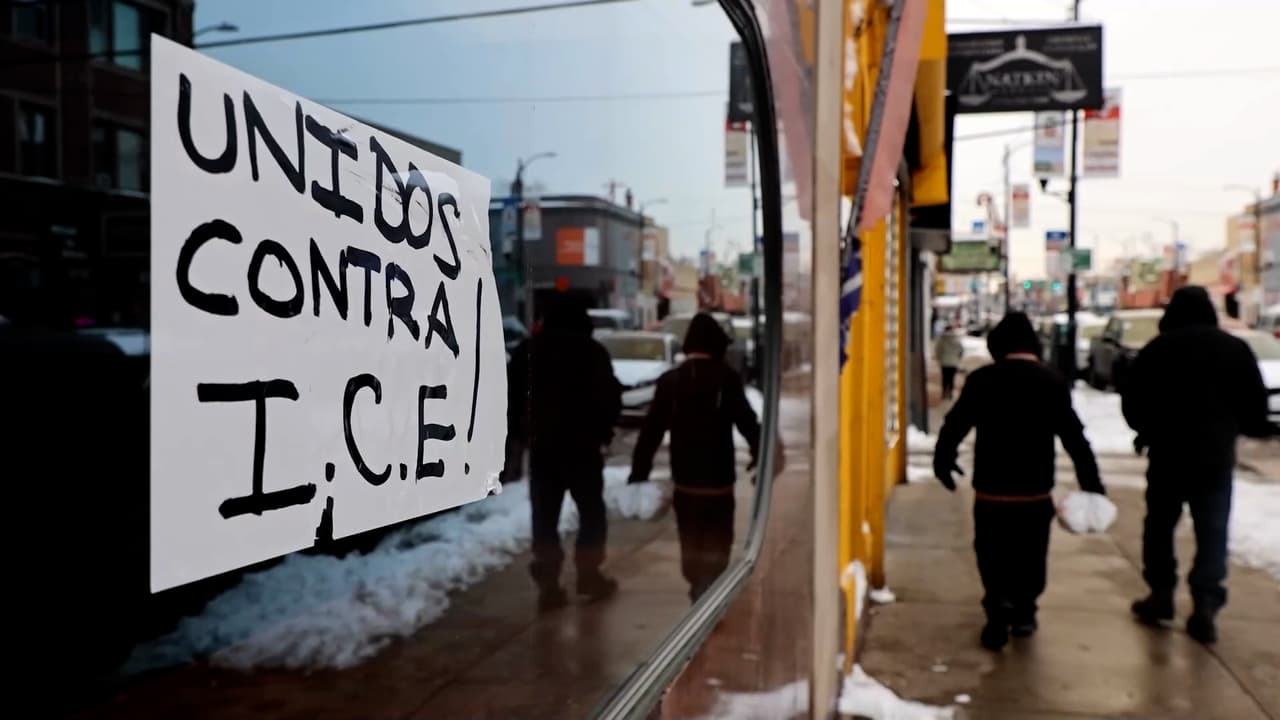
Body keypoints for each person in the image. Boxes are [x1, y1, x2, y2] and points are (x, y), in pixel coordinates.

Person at [933, 312, 1105, 651]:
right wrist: (1091, 481)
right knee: (1031, 553)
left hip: (992, 491)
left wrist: (944, 459)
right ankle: (1025, 610)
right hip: (1034, 492)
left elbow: (956, 424)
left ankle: (997, 612)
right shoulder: (1051, 381)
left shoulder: (983, 380)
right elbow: (1074, 437)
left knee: (991, 552)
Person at [1121, 286, 1271, 644]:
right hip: (1214, 458)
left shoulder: (1159, 350)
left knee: (1159, 527)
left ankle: (1161, 594)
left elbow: (1133, 403)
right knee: (1212, 531)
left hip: (1168, 455)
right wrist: (1236, 427)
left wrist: (1148, 429)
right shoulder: (1235, 350)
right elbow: (1256, 409)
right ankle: (1205, 604)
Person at [628, 313, 761, 602]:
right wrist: (759, 452)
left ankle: (698, 587)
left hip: (686, 484)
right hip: (719, 484)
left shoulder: (670, 382)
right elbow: (747, 422)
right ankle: (709, 590)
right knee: (718, 542)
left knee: (691, 540)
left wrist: (639, 471)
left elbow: (650, 433)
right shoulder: (727, 379)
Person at [508, 295, 622, 611]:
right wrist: (604, 432)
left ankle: (548, 582)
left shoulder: (526, 352)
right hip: (583, 448)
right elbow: (610, 397)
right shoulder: (592, 352)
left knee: (545, 516)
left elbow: (510, 398)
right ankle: (588, 574)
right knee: (591, 513)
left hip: (543, 449)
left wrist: (518, 437)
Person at [935, 325, 965, 400]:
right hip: (954, 363)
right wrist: (958, 359)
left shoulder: (942, 340)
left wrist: (939, 359)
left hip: (944, 362)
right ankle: (950, 394)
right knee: (951, 378)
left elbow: (938, 351)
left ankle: (944, 393)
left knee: (945, 378)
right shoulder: (957, 339)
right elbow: (961, 351)